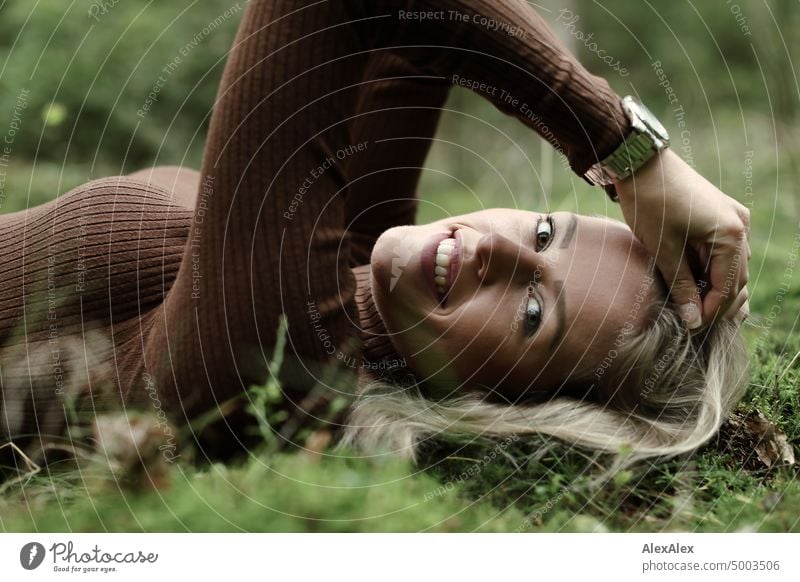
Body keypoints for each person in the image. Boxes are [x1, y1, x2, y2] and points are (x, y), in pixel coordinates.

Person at [0, 0, 749, 472]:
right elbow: (415, 35)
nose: (500, 251)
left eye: (532, 313)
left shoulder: (292, 357)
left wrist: (626, 152)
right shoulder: (360, 261)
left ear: (497, 405)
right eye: (547, 233)